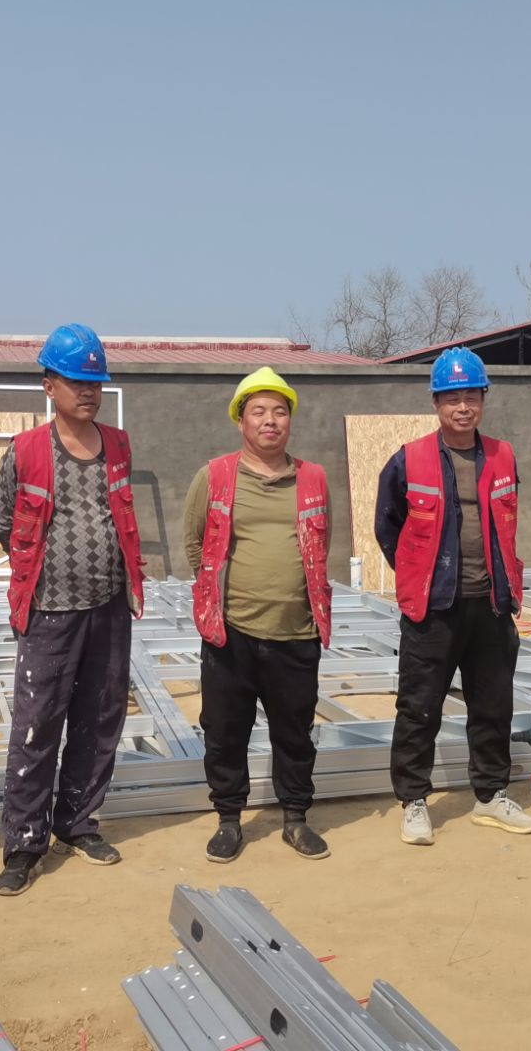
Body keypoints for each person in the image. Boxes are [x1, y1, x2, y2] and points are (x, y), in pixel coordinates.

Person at [0, 323, 146, 896]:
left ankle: (78, 823)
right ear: (48, 385)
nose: (88, 390)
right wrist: (49, 569)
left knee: (99, 718)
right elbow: (4, 521)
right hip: (50, 611)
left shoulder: (119, 445)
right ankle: (23, 843)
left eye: (95, 382)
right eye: (76, 380)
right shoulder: (26, 450)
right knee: (36, 727)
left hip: (109, 606)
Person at [374, 346, 531, 846]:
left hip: (491, 605)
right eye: (452, 398)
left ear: (483, 399)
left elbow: (506, 523)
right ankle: (414, 801)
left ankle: (490, 795)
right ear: (436, 403)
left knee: (493, 706)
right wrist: (419, 574)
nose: (462, 407)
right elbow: (387, 527)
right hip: (433, 610)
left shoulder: (503, 455)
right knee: (419, 708)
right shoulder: (409, 460)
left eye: (471, 397)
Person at [183, 367, 333, 863]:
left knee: (295, 732)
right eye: (259, 412)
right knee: (226, 731)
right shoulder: (215, 475)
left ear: (290, 420)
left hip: (296, 631)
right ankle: (229, 819)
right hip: (231, 633)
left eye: (280, 411)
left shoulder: (313, 478)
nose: (271, 420)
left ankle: (295, 818)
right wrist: (217, 596)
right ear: (241, 420)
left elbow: (321, 545)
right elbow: (194, 542)